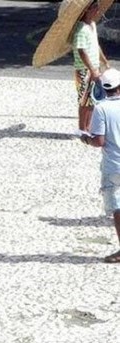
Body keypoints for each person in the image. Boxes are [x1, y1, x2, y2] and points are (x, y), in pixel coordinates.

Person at [82, 68, 120, 263]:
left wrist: (85, 139)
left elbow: (99, 141)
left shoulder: (102, 108)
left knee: (118, 208)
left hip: (114, 165)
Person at [72, 0, 109, 132]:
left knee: (92, 100)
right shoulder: (81, 29)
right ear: (87, 10)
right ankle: (82, 129)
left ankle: (88, 127)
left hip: (94, 68)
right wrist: (92, 69)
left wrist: (104, 61)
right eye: (95, 7)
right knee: (84, 101)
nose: (98, 10)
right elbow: (81, 51)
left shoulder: (92, 25)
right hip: (84, 70)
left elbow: (95, 45)